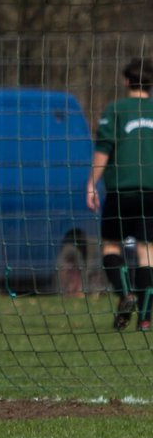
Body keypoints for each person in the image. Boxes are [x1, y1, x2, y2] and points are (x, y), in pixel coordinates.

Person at [87, 57, 153, 331]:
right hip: (151, 193)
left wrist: (92, 182)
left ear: (126, 81)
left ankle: (125, 294)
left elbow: (104, 148)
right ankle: (146, 318)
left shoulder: (115, 110)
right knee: (147, 253)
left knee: (111, 246)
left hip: (120, 191)